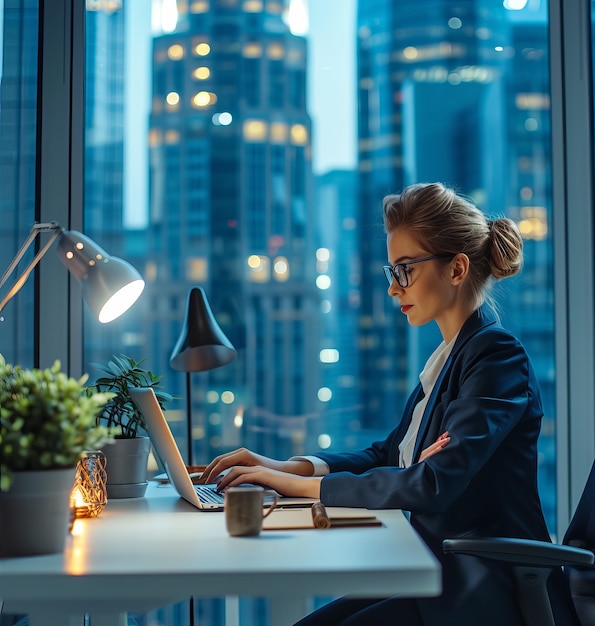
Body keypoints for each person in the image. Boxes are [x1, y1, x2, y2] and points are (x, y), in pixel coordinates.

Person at [200, 182, 574, 625]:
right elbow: (391, 456)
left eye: (406, 270)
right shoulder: (452, 357)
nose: (394, 289)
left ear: (457, 269)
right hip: (435, 568)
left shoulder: (495, 357)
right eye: (391, 271)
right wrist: (289, 468)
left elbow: (430, 483)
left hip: (480, 587)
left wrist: (297, 488)